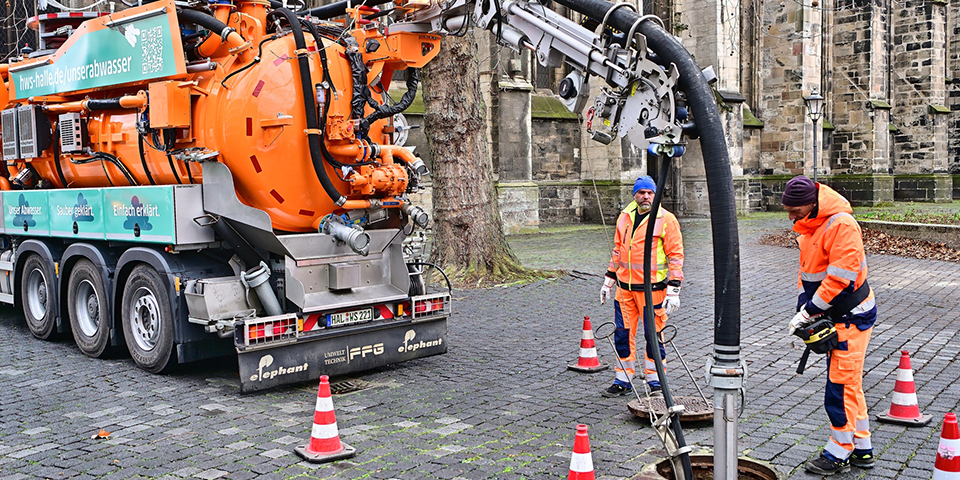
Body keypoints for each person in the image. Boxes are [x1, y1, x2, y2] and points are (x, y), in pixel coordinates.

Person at [781, 175, 878, 475]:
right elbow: (808, 273)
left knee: (839, 387)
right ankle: (862, 447)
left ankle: (839, 451)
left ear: (812, 204)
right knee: (850, 383)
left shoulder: (842, 225)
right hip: (837, 314)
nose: (790, 216)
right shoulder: (808, 226)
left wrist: (809, 311)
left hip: (851, 316)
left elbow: (840, 280)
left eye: (794, 210)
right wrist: (804, 305)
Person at [599, 175, 683, 398]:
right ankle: (622, 380)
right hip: (624, 290)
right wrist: (608, 281)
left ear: (655, 195)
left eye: (649, 193)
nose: (645, 196)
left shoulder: (666, 219)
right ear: (634, 195)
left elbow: (675, 255)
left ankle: (656, 381)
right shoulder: (625, 216)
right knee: (622, 335)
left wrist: (674, 289)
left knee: (653, 336)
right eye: (641, 192)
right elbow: (618, 250)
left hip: (652, 291)